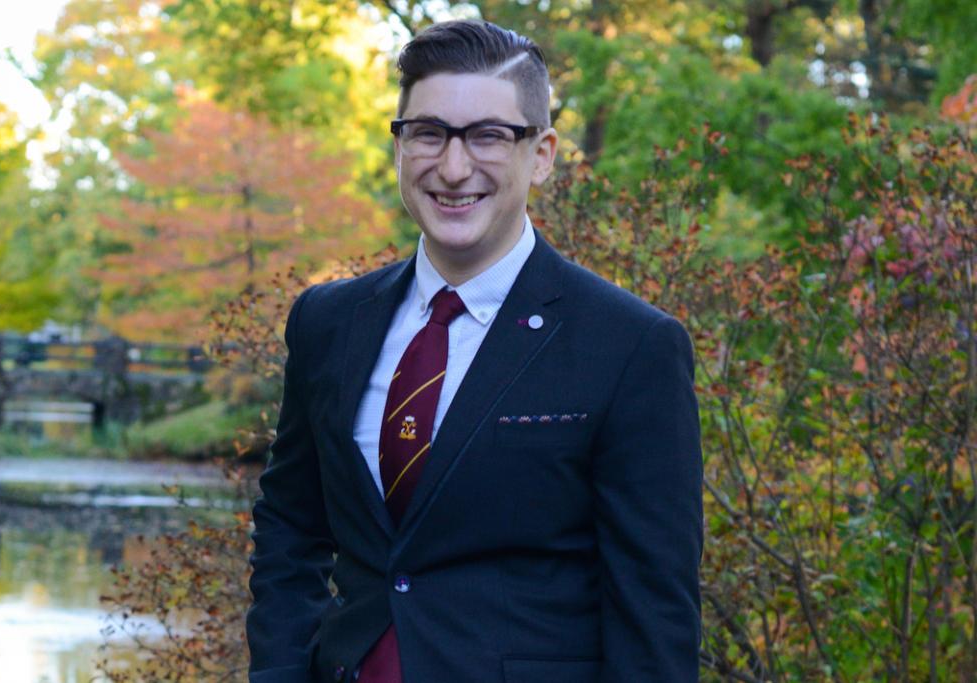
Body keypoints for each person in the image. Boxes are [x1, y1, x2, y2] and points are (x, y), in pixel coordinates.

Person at [246, 19, 702, 683]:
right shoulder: (328, 322)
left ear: (542, 153)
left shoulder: (630, 345)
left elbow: (654, 610)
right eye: (429, 132)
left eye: (489, 135)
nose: (453, 167)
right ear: (399, 145)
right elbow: (290, 525)